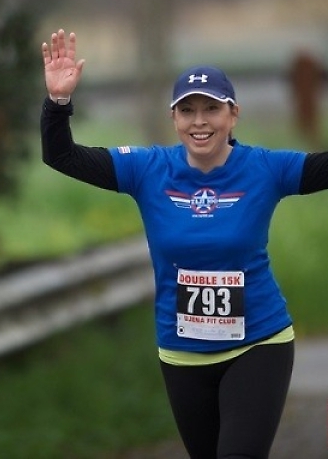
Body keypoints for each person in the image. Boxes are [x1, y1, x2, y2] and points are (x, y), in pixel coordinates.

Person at [41, 29, 328, 459]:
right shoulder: (147, 168)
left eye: (212, 109)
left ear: (233, 115)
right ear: (174, 118)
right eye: (187, 110)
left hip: (258, 343)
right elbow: (61, 156)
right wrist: (58, 101)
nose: (199, 122)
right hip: (182, 353)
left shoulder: (266, 168)